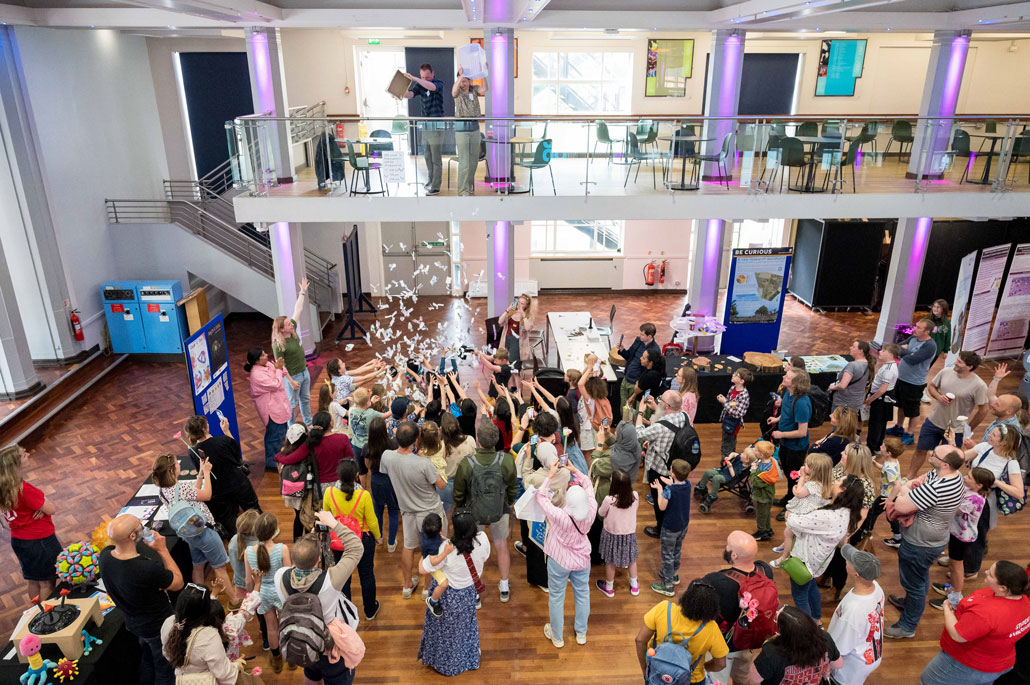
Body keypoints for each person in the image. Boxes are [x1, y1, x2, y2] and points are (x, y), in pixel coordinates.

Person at [883, 445, 965, 639]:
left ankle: (908, 626)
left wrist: (903, 489)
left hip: (921, 543)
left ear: (945, 464)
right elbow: (917, 481)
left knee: (915, 583)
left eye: (934, 454)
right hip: (933, 538)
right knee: (918, 577)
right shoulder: (952, 475)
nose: (930, 453)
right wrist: (909, 487)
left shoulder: (937, 487)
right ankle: (910, 603)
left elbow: (901, 505)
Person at [273, 510, 363, 685]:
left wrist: (311, 539)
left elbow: (299, 563)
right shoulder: (330, 581)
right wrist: (332, 522)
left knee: (312, 676)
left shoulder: (280, 576)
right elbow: (356, 548)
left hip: (302, 640)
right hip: (330, 646)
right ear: (319, 558)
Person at [100, 514, 185, 685]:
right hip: (158, 627)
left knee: (147, 659)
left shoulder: (105, 556)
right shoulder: (145, 568)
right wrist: (162, 550)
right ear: (133, 536)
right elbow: (178, 582)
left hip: (135, 623)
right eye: (140, 525)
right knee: (165, 669)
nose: (143, 527)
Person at [921, 560, 1030, 684]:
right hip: (998, 663)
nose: (985, 572)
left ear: (1003, 587)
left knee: (929, 680)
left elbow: (958, 634)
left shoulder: (987, 614)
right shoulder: (1024, 601)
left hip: (968, 663)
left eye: (990, 574)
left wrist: (947, 609)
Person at [417, 510, 491, 675]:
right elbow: (485, 557)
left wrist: (423, 556)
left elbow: (423, 569)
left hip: (448, 595)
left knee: (444, 630)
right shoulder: (483, 540)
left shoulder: (445, 548)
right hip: (469, 592)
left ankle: (443, 663)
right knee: (466, 627)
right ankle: (470, 658)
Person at [781, 475, 865, 620]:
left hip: (804, 559)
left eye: (838, 481)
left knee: (800, 596)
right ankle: (816, 619)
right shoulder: (847, 512)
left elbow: (794, 522)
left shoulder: (828, 515)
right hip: (818, 561)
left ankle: (806, 629)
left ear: (842, 490)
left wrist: (789, 514)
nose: (834, 481)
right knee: (811, 587)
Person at [381, 421, 448, 599]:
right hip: (430, 511)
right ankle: (427, 588)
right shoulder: (424, 464)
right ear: (416, 440)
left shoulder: (387, 457)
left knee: (408, 547)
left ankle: (407, 586)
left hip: (407, 510)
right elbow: (441, 485)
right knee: (432, 548)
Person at [452, 419, 517, 602]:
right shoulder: (506, 460)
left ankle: (476, 590)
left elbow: (459, 492)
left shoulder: (467, 463)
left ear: (478, 440)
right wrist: (508, 502)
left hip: (473, 511)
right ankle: (504, 587)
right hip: (500, 509)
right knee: (501, 546)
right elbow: (512, 488)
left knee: (472, 548)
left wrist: (462, 507)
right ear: (496, 440)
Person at [152, 453, 233, 596]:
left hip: (189, 532)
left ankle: (201, 599)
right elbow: (206, 495)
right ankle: (234, 600)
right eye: (177, 464)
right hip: (204, 531)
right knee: (220, 568)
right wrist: (207, 473)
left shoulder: (162, 491)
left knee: (198, 567)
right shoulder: (181, 488)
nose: (179, 465)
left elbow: (193, 495)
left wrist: (200, 474)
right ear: (172, 471)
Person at [536, 459, 596, 648]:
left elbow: (541, 497)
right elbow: (588, 485)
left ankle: (557, 636)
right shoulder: (591, 510)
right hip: (582, 559)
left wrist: (551, 476)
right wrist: (576, 471)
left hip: (558, 559)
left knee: (556, 596)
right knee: (582, 594)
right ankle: (581, 633)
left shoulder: (560, 515)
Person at [705, 531, 777, 685]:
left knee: (717, 680)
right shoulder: (765, 571)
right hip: (750, 642)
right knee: (742, 678)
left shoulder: (717, 580)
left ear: (734, 556)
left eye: (728, 546)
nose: (725, 547)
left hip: (723, 645)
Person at [908, 350, 989, 479]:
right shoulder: (946, 372)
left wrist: (968, 428)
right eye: (957, 359)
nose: (955, 363)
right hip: (933, 421)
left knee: (948, 462)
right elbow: (932, 386)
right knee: (920, 450)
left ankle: (940, 483)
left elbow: (984, 409)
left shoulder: (979, 385)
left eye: (959, 362)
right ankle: (910, 476)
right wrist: (938, 397)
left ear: (970, 367)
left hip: (955, 430)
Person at [958, 423, 1025, 578]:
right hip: (967, 494)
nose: (989, 435)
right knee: (961, 527)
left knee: (977, 534)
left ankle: (970, 569)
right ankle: (958, 558)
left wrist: (995, 481)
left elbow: (1019, 492)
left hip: (986, 502)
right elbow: (961, 457)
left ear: (1003, 442)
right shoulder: (983, 447)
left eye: (994, 435)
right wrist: (952, 443)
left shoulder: (1011, 463)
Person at [182, 414, 261, 538]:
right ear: (204, 429)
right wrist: (226, 431)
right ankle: (263, 534)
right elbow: (236, 455)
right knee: (253, 509)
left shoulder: (193, 452)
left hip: (217, 490)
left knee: (229, 521)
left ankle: (238, 544)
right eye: (207, 424)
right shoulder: (223, 440)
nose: (208, 425)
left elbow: (201, 471)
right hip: (238, 483)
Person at [635, 580, 729, 683]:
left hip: (657, 672)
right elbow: (721, 664)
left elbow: (640, 640)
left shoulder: (664, 609)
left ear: (686, 597)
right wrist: (705, 667)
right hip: (691, 679)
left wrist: (645, 670)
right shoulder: (711, 628)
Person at [0, 444, 60, 603]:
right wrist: (44, 500)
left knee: (33, 580)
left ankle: (37, 612)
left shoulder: (4, 487)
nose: (28, 454)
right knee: (47, 582)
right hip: (40, 541)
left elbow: (5, 522)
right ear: (16, 464)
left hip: (19, 541)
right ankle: (48, 616)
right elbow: (51, 509)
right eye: (24, 455)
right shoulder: (24, 489)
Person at [929, 466, 994, 610]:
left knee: (957, 567)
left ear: (979, 485)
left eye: (969, 477)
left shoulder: (975, 498)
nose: (965, 477)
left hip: (962, 537)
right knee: (953, 564)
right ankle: (952, 588)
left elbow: (956, 511)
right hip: (956, 533)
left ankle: (954, 598)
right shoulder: (969, 490)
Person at [324, 460, 382, 621]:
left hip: (339, 541)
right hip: (362, 540)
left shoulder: (329, 493)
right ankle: (370, 610)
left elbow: (327, 518)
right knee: (367, 575)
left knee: (343, 578)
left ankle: (346, 613)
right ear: (356, 475)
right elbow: (372, 521)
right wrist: (378, 537)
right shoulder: (364, 495)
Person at [160, 583, 246, 684]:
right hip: (206, 680)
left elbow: (167, 653)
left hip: (182, 678)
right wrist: (237, 665)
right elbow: (223, 673)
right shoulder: (208, 635)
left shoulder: (168, 623)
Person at [827, 544, 885, 685]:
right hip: (869, 653)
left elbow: (840, 649)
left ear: (856, 574)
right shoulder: (876, 587)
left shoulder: (853, 611)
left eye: (850, 561)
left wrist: (826, 666)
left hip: (849, 668)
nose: (847, 560)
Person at [636, 389, 686, 538]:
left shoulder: (660, 427)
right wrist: (655, 407)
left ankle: (661, 528)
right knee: (671, 497)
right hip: (676, 465)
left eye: (661, 401)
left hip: (659, 468)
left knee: (660, 499)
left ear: (668, 406)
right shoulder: (685, 416)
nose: (659, 402)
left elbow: (638, 433)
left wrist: (640, 412)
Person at [244, 512, 290, 673]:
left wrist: (252, 595)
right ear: (275, 530)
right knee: (286, 624)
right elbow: (288, 576)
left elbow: (248, 581)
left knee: (271, 627)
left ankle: (276, 658)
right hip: (280, 591)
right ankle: (290, 657)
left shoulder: (248, 551)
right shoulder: (282, 549)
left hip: (262, 593)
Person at [750, 606, 843, 684]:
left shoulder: (772, 651)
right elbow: (838, 664)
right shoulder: (824, 637)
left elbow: (754, 678)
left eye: (776, 619)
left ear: (784, 632)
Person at [772, 452, 834, 568]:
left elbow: (798, 492)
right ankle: (784, 545)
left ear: (815, 470)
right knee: (789, 532)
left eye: (807, 465)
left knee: (788, 533)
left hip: (802, 513)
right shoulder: (822, 482)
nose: (804, 466)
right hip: (808, 511)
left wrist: (802, 477)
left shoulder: (812, 485)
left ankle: (784, 557)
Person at [886, 318, 938, 446]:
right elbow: (896, 348)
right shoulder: (913, 338)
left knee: (913, 410)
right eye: (916, 326)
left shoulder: (930, 346)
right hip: (901, 378)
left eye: (919, 328)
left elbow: (913, 360)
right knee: (900, 405)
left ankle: (909, 434)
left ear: (927, 332)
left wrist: (906, 352)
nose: (915, 329)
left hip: (914, 383)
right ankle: (898, 427)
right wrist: (909, 352)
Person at [770, 366, 813, 511]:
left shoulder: (801, 402)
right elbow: (787, 413)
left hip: (796, 446)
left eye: (787, 377)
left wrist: (781, 434)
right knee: (788, 473)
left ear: (795, 384)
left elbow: (802, 431)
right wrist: (777, 420)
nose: (783, 377)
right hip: (786, 443)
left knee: (795, 476)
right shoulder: (788, 393)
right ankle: (788, 498)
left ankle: (793, 505)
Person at [271, 277, 312, 425]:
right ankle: (292, 429)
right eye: (288, 324)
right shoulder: (278, 346)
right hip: (292, 376)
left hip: (304, 371)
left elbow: (298, 310)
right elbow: (280, 366)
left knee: (305, 400)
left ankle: (308, 424)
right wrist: (291, 381)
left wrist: (302, 292)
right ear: (282, 329)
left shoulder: (292, 330)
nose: (292, 324)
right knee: (292, 404)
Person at [650, 458, 693, 597]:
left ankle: (668, 586)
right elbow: (678, 489)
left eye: (671, 469)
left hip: (670, 527)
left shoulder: (669, 489)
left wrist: (660, 489)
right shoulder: (688, 484)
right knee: (677, 550)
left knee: (667, 555)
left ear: (673, 474)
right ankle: (674, 574)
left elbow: (662, 506)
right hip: (683, 525)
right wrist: (671, 484)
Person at [244, 347, 292, 471]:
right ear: (256, 361)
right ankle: (272, 464)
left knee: (281, 434)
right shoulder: (257, 375)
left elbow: (283, 373)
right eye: (263, 355)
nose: (267, 355)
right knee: (274, 437)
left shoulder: (268, 364)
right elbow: (276, 384)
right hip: (271, 410)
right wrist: (278, 370)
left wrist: (279, 368)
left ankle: (280, 459)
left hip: (280, 405)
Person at [278, 411, 355, 487]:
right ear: (331, 423)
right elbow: (350, 460)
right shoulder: (342, 438)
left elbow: (292, 458)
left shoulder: (311, 442)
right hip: (340, 484)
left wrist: (278, 457)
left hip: (319, 486)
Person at [402, 63, 446, 195]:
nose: (425, 79)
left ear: (433, 74)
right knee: (427, 155)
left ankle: (436, 185)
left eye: (427, 77)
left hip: (437, 125)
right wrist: (399, 92)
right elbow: (410, 95)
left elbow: (431, 87)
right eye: (422, 77)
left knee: (436, 158)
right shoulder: (420, 84)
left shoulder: (438, 83)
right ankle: (430, 180)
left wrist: (415, 79)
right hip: (425, 125)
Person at [596, 469, 640, 597]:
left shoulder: (609, 500)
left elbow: (600, 513)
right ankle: (634, 586)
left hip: (611, 535)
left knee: (610, 562)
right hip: (629, 534)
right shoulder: (635, 496)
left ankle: (609, 588)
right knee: (632, 560)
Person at [366, 416, 400, 552]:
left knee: (378, 510)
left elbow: (367, 465)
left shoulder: (367, 447)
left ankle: (378, 538)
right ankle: (391, 543)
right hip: (390, 480)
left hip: (375, 481)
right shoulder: (393, 444)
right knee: (393, 511)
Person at [451, 65, 486, 196]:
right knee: (464, 161)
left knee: (473, 161)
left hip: (474, 128)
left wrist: (484, 74)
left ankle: (469, 185)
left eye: (466, 80)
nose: (464, 83)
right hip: (461, 129)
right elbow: (453, 92)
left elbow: (485, 89)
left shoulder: (473, 90)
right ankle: (463, 189)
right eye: (462, 81)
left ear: (470, 81)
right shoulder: (457, 91)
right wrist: (460, 76)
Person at [863, 436, 904, 541]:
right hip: (891, 494)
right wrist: (876, 465)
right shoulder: (893, 461)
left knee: (872, 511)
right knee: (890, 516)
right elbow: (885, 470)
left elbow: (897, 485)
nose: (880, 447)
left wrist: (889, 500)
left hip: (887, 496)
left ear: (888, 453)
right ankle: (898, 536)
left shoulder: (890, 468)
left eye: (883, 447)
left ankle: (866, 531)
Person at [617, 323, 661, 413]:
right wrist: (622, 350)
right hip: (626, 379)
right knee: (623, 408)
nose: (639, 335)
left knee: (632, 411)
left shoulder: (655, 351)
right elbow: (629, 356)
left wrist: (639, 386)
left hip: (636, 384)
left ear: (649, 336)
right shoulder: (638, 341)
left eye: (642, 334)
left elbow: (651, 373)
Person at [864, 343, 900, 452]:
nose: (880, 352)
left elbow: (882, 389)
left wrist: (870, 399)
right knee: (881, 423)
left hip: (881, 400)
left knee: (876, 424)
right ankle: (877, 445)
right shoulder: (887, 365)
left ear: (890, 354)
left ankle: (871, 449)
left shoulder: (888, 369)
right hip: (883, 398)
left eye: (884, 351)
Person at [497, 293, 534, 393]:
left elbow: (528, 328)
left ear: (526, 306)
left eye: (523, 304)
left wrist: (523, 315)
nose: (520, 305)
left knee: (516, 371)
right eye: (519, 302)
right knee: (509, 368)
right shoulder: (511, 313)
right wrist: (507, 310)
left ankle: (519, 392)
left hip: (517, 345)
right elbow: (500, 322)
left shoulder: (528, 316)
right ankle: (513, 387)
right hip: (507, 342)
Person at [828, 340, 876, 414]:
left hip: (843, 403)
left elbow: (842, 385)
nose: (850, 348)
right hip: (856, 402)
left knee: (839, 424)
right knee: (849, 424)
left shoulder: (852, 365)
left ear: (860, 351)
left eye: (853, 347)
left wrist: (832, 387)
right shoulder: (869, 365)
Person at [718, 368, 753, 458]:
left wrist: (724, 402)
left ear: (741, 381)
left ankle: (726, 465)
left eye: (736, 375)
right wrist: (725, 400)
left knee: (727, 447)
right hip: (727, 420)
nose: (733, 375)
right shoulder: (733, 388)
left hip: (733, 424)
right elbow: (732, 403)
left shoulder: (744, 395)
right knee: (726, 443)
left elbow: (738, 413)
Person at [347, 387, 382, 468]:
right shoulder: (371, 413)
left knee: (361, 470)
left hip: (355, 444)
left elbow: (362, 408)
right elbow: (385, 415)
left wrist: (370, 401)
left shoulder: (352, 410)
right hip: (368, 445)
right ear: (367, 402)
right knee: (370, 468)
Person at [609, 409, 641, 482]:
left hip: (616, 488)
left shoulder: (615, 458)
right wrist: (609, 436)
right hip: (630, 484)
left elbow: (596, 467)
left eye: (617, 431)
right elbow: (621, 444)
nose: (615, 432)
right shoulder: (636, 447)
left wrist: (600, 443)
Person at [928, 299, 952, 367]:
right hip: (925, 348)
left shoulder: (946, 322)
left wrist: (946, 351)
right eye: (934, 306)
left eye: (938, 307)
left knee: (927, 368)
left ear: (943, 309)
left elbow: (948, 336)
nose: (935, 309)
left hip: (936, 351)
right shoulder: (927, 319)